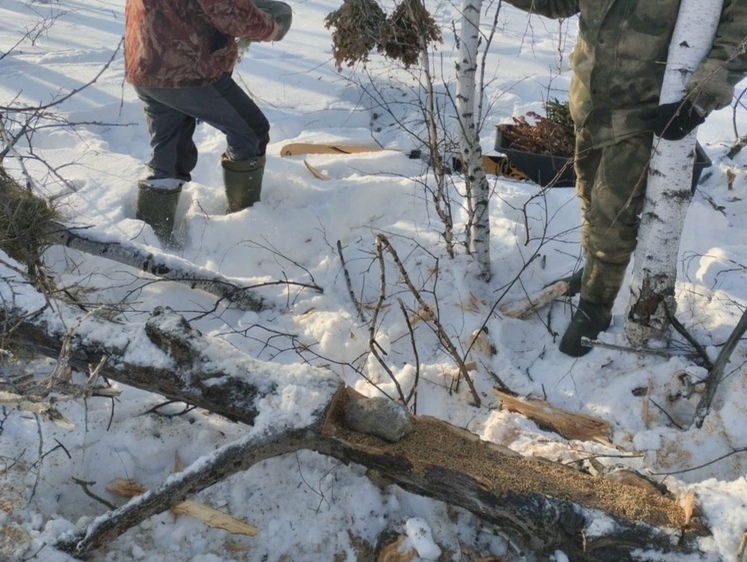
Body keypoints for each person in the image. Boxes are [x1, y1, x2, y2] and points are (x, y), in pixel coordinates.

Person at [501, 0, 747, 356]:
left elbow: (739, 29)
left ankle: (596, 305)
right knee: (587, 194)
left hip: (643, 115)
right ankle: (594, 273)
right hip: (589, 103)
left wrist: (701, 96)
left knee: (612, 213)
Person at [124, 0, 292, 244]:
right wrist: (270, 27)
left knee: (169, 156)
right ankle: (244, 231)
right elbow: (227, 9)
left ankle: (151, 246)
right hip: (189, 70)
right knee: (251, 132)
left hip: (146, 62)